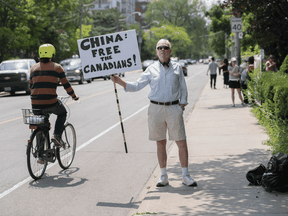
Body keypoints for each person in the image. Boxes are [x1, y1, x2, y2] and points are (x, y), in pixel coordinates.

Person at [111, 39, 197, 187]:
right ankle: (163, 175)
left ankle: (185, 175)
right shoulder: (151, 69)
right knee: (160, 142)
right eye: (159, 48)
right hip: (155, 109)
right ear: (156, 51)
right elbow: (138, 85)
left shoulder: (177, 68)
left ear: (170, 51)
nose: (162, 50)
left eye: (165, 47)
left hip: (173, 108)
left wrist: (182, 105)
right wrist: (120, 82)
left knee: (181, 142)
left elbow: (183, 87)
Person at [29, 44, 79, 154]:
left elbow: (30, 86)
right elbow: (66, 85)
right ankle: (57, 136)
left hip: (35, 104)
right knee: (62, 113)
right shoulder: (57, 67)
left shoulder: (33, 68)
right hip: (51, 102)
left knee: (41, 125)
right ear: (52, 54)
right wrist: (74, 96)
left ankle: (41, 154)